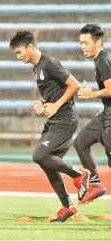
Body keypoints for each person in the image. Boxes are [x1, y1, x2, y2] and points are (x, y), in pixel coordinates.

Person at [9, 30, 90, 222]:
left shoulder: (50, 63)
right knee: (46, 163)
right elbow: (54, 93)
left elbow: (74, 85)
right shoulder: (36, 68)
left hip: (65, 120)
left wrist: (54, 105)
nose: (18, 57)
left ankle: (79, 174)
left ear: (30, 46)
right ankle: (68, 207)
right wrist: (43, 103)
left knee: (39, 155)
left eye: (19, 52)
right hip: (55, 120)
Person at [75, 23, 110, 204]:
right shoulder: (100, 60)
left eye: (86, 43)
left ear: (97, 42)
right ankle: (96, 184)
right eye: (81, 43)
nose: (83, 47)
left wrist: (92, 94)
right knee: (81, 141)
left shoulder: (103, 61)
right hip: (106, 114)